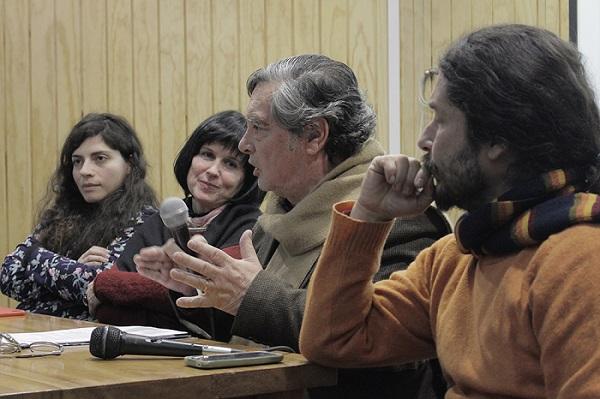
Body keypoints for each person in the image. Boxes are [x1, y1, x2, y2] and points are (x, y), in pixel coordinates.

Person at [299, 24, 600, 398]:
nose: (425, 139)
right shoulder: (457, 256)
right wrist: (369, 214)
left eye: (440, 119)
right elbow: (334, 339)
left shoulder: (579, 260)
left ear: (497, 140)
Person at [137, 54, 451, 398]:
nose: (244, 144)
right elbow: (245, 330)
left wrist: (251, 295)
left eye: (257, 127)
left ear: (314, 135)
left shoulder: (397, 219)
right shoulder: (277, 214)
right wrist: (196, 286)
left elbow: (368, 338)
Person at [87, 110, 263, 338]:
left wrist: (107, 286)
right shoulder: (163, 216)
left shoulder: (250, 226)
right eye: (207, 155)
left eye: (230, 164)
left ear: (247, 179)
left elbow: (211, 305)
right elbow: (105, 309)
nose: (212, 171)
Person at [0, 113, 158, 320]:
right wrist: (71, 267)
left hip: (95, 342)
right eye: (77, 161)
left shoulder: (147, 222)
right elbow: (9, 277)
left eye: (100, 158)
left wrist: (35, 258)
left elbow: (101, 288)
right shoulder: (61, 216)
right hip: (38, 335)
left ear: (129, 164)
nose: (84, 171)